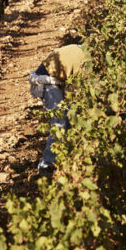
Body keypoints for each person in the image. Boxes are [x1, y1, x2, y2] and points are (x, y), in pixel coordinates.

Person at [28, 34, 86, 177]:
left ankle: (66, 156)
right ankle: (46, 165)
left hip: (56, 79)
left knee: (68, 120)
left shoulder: (82, 51)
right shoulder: (86, 62)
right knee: (59, 122)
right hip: (45, 81)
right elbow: (81, 90)